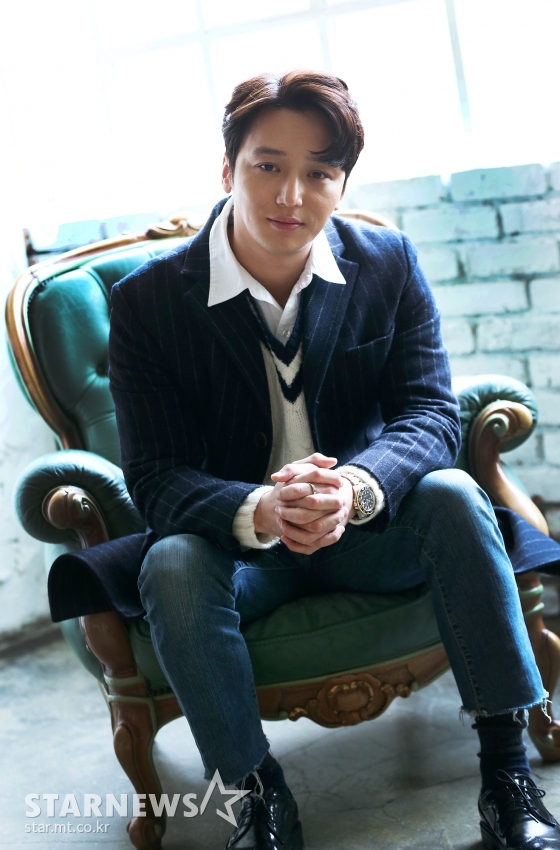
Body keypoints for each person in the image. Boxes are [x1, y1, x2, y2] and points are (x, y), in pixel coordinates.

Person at [108, 71, 560, 850]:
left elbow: (428, 414)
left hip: (369, 533)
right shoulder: (147, 301)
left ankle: (506, 777)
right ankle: (258, 800)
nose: (291, 195)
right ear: (227, 169)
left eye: (320, 173)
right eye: (268, 165)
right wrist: (258, 508)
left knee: (454, 493)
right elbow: (155, 474)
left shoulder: (387, 262)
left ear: (343, 183)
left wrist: (354, 487)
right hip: (241, 552)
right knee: (171, 561)